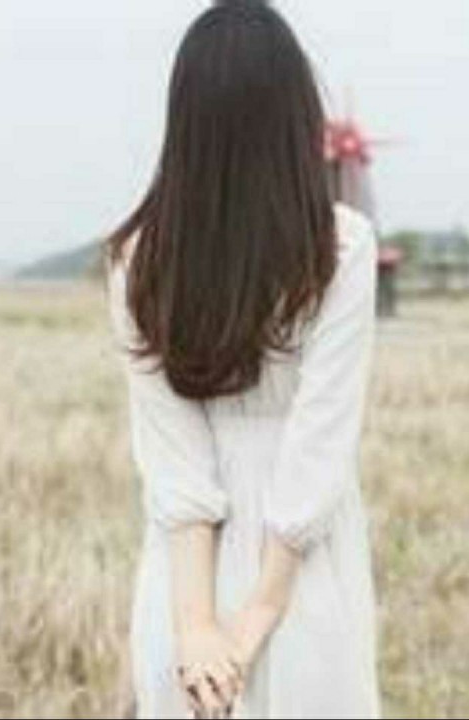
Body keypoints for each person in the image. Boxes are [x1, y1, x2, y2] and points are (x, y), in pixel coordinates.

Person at [106, 1, 380, 717]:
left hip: (185, 565)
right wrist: (257, 613)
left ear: (185, 124)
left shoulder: (139, 262)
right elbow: (318, 445)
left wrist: (196, 625)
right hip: (303, 563)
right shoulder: (342, 248)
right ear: (296, 118)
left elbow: (175, 463)